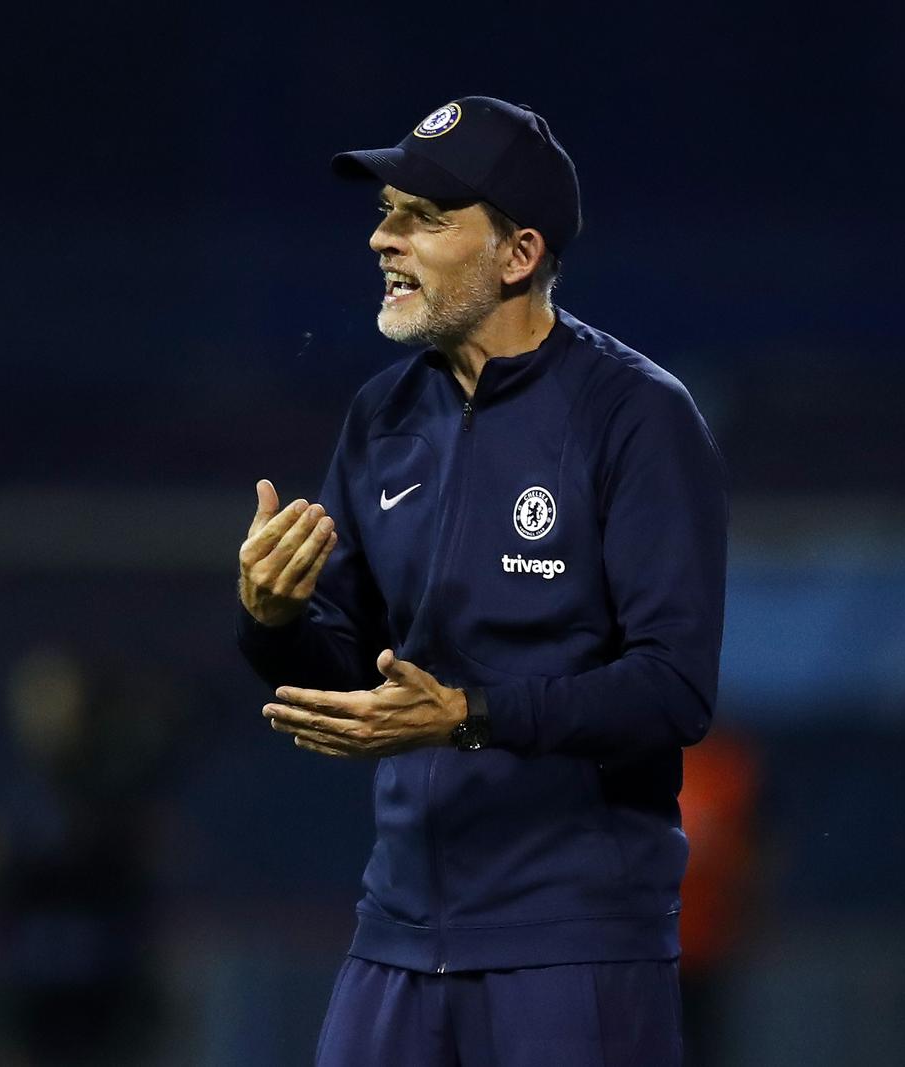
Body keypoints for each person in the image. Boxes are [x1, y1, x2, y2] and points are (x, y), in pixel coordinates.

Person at [237, 96, 728, 1066]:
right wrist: (275, 618)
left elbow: (672, 687)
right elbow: (353, 668)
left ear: (517, 254)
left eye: (423, 217)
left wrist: (469, 713)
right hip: (395, 934)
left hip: (570, 942)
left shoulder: (633, 414)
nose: (382, 238)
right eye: (384, 211)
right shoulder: (382, 416)